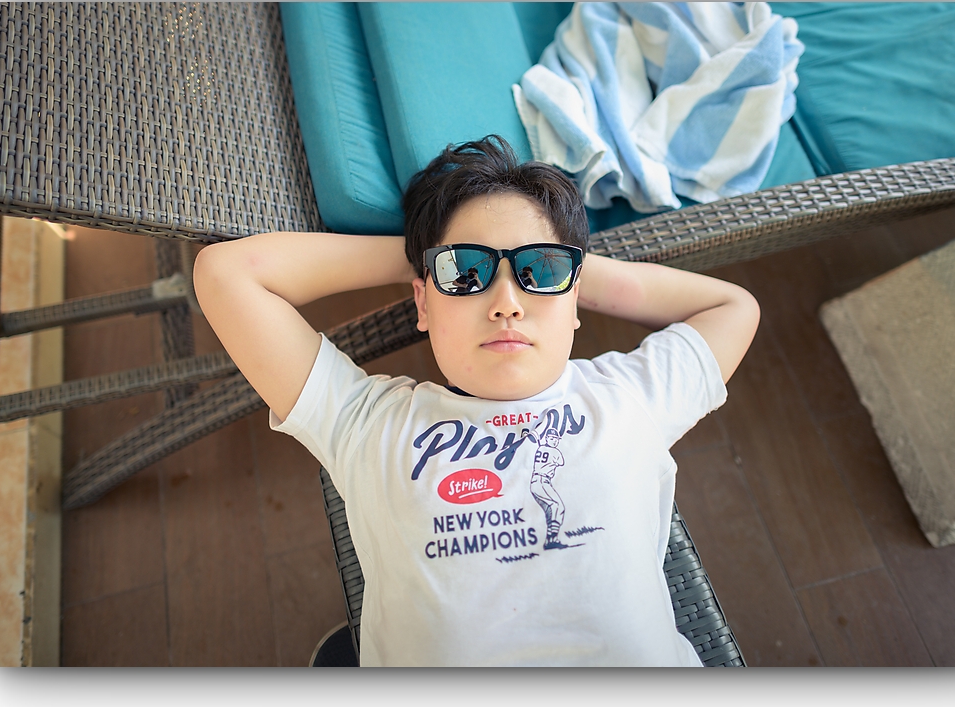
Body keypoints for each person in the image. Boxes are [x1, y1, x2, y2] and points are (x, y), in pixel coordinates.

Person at [193, 135, 759, 666]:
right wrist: (424, 255)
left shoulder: (628, 397)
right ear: (422, 303)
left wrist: (569, 268)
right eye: (466, 273)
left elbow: (734, 309)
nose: (506, 303)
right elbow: (227, 272)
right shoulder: (367, 424)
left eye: (540, 270)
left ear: (576, 297)